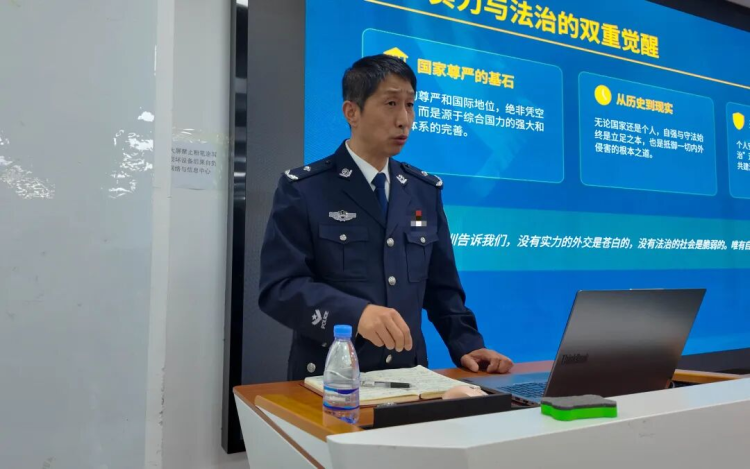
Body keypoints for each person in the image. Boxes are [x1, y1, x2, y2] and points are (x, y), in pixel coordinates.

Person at [259, 54, 513, 380]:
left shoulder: (423, 192)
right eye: (391, 103)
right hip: (330, 380)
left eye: (410, 105)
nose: (404, 119)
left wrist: (468, 344)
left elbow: (441, 288)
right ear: (352, 112)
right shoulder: (305, 189)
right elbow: (279, 288)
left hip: (409, 379)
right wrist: (355, 314)